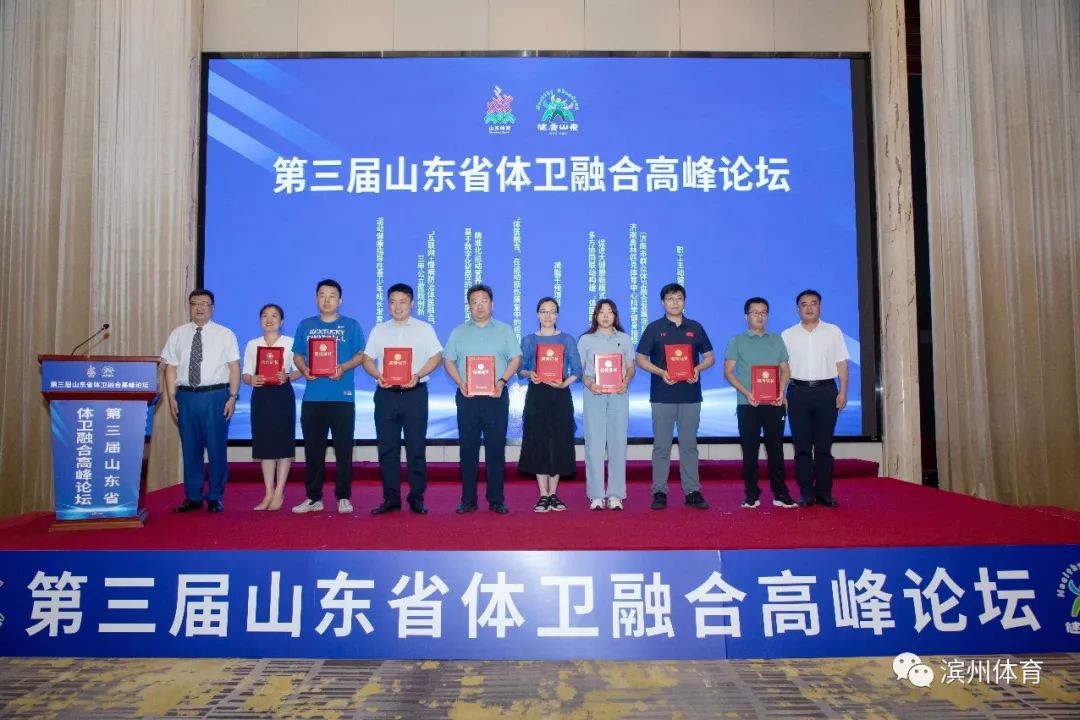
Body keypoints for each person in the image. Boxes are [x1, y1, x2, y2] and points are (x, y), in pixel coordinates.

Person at [361, 283, 443, 516]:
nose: (397, 307)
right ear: (388, 304)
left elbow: (436, 356)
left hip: (415, 394)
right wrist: (377, 375)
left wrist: (418, 374)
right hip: (386, 395)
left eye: (403, 301)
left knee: (416, 447)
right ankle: (391, 498)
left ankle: (416, 498)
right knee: (387, 449)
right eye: (393, 302)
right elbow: (367, 359)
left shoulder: (424, 329)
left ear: (412, 303)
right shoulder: (379, 330)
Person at [442, 283, 522, 514]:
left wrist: (502, 381)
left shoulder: (504, 330)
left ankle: (496, 499)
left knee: (496, 449)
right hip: (467, 397)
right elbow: (448, 360)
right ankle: (468, 499)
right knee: (468, 449)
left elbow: (516, 358)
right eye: (474, 302)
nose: (479, 306)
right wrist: (460, 382)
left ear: (492, 304)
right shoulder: (459, 332)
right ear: (469, 306)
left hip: (496, 396)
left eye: (484, 301)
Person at [636, 282, 715, 510]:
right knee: (661, 446)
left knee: (689, 445)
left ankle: (692, 491)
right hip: (662, 395)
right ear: (663, 302)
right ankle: (659, 491)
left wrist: (697, 369)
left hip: (690, 395)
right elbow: (640, 359)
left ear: (684, 301)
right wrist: (661, 372)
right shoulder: (654, 328)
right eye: (670, 299)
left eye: (679, 298)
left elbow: (710, 357)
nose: (675, 302)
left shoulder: (695, 327)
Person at [290, 279, 366, 514]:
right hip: (313, 398)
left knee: (343, 450)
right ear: (316, 299)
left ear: (339, 300)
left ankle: (343, 496)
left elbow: (361, 355)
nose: (326, 300)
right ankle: (314, 498)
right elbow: (297, 355)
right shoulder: (306, 325)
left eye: (331, 295)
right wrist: (304, 370)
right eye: (322, 295)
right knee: (313, 450)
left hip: (342, 398)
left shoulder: (351, 325)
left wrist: (343, 367)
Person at [161, 289, 240, 513]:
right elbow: (170, 368)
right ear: (189, 307)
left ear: (212, 308)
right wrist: (172, 397)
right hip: (186, 396)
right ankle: (193, 496)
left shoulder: (225, 334)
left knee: (216, 449)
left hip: (215, 396)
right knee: (190, 448)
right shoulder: (178, 334)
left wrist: (232, 397)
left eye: (204, 303)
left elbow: (234, 368)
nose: (199, 307)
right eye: (194, 303)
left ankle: (215, 496)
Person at [723, 297, 797, 509]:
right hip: (748, 404)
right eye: (755, 312)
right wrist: (747, 393)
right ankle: (751, 494)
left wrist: (781, 391)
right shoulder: (737, 341)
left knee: (776, 450)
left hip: (774, 404)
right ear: (746, 316)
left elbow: (786, 370)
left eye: (763, 312)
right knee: (750, 451)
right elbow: (728, 372)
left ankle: (780, 494)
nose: (759, 316)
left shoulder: (776, 340)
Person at [781, 289, 850, 508]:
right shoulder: (787, 335)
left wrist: (843, 392)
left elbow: (842, 364)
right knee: (801, 447)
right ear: (798, 309)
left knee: (823, 446)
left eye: (813, 303)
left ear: (820, 306)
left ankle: (824, 492)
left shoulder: (833, 331)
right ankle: (806, 492)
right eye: (804, 304)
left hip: (826, 392)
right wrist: (782, 393)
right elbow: (784, 368)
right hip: (798, 392)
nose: (809, 308)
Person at [517, 297, 582, 513]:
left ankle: (553, 493)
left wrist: (564, 383)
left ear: (557, 315)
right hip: (537, 394)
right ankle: (543, 495)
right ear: (537, 315)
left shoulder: (567, 339)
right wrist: (530, 374)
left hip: (560, 394)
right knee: (539, 441)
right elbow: (520, 369)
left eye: (552, 311)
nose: (547, 316)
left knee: (559, 442)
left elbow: (577, 370)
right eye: (543, 311)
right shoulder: (529, 340)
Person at [241, 303, 301, 511]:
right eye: (265, 316)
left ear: (281, 321)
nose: (269, 319)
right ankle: (268, 492)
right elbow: (246, 373)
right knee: (265, 443)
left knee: (283, 443)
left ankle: (279, 492)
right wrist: (251, 379)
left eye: (274, 316)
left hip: (282, 394)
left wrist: (288, 376)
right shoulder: (253, 344)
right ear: (260, 321)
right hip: (261, 395)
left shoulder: (290, 342)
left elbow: (300, 370)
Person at [578, 299, 635, 510]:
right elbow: (579, 370)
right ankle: (596, 495)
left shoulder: (624, 339)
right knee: (594, 444)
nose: (605, 316)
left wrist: (626, 381)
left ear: (615, 316)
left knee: (618, 443)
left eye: (609, 312)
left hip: (619, 394)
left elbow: (631, 367)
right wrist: (589, 384)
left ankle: (616, 495)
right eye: (601, 312)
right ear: (595, 316)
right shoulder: (585, 339)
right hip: (594, 394)